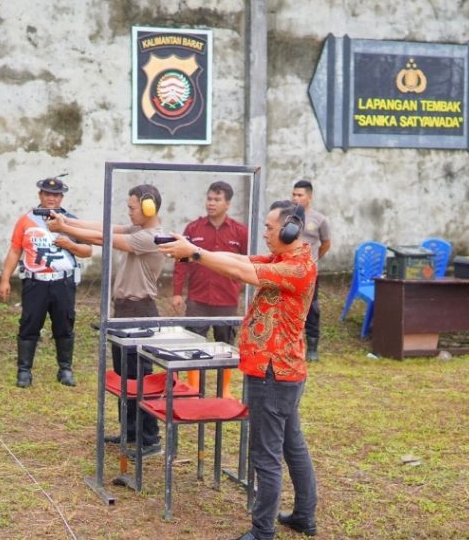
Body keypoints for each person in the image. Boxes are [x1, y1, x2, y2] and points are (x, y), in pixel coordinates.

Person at [158, 202, 318, 540]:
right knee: (292, 446)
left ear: (290, 229)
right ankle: (304, 516)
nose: (265, 233)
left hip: (273, 373)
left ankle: (262, 532)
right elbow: (239, 261)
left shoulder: (297, 267)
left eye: (270, 227)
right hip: (282, 372)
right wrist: (194, 250)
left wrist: (196, 254)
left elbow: (244, 273)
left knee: (266, 456)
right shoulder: (282, 259)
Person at [47, 184, 165, 456]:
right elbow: (105, 227)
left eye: (133, 207)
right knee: (125, 377)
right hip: (125, 311)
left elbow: (103, 238)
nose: (129, 212)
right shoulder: (138, 230)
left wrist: (65, 228)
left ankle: (150, 439)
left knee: (140, 378)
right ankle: (131, 432)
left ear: (148, 208)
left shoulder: (151, 237)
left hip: (140, 312)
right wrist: (67, 221)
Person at [0, 175, 93, 388]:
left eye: (56, 195)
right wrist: (5, 279)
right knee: (29, 324)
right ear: (40, 195)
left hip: (63, 283)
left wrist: (70, 245)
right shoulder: (26, 220)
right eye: (48, 194)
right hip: (35, 283)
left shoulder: (70, 221)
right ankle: (24, 371)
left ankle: (65, 369)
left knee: (64, 325)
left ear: (62, 198)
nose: (52, 198)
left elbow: (87, 251)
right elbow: (15, 250)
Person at [171, 181, 249, 389]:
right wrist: (177, 292)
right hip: (198, 299)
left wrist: (240, 285)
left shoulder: (240, 232)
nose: (211, 203)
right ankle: (194, 389)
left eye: (217, 199)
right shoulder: (193, 229)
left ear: (228, 204)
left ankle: (224, 390)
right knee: (193, 344)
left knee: (225, 347)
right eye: (209, 199)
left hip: (227, 300)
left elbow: (248, 262)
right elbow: (180, 261)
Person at [291, 180, 331, 361]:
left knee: (311, 309)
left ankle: (312, 349)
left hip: (309, 273)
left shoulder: (319, 219)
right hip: (289, 270)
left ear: (310, 197)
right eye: (294, 194)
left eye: (300, 195)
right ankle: (290, 345)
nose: (296, 198)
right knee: (289, 307)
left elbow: (326, 244)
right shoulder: (287, 217)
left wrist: (313, 260)